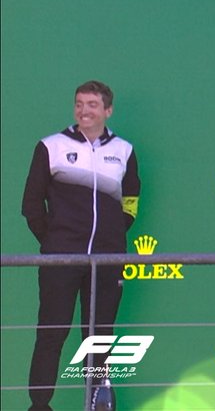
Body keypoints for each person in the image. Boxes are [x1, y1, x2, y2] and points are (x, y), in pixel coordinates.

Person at [21, 80, 141, 411]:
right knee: (51, 333)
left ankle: (96, 402)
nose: (83, 110)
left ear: (108, 110)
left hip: (107, 259)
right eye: (79, 104)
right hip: (61, 259)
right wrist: (54, 242)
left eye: (91, 104)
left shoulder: (124, 151)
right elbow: (31, 204)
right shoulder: (51, 147)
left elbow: (131, 198)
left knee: (99, 335)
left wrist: (113, 233)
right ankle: (40, 404)